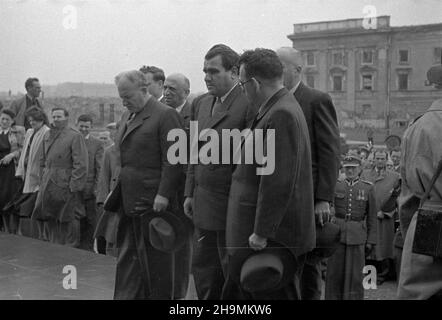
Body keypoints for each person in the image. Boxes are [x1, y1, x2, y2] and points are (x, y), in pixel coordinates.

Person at [222, 48, 315, 300]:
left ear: (253, 83)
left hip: (271, 241)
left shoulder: (281, 114)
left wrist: (262, 231)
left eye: (242, 84)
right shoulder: (276, 108)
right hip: (264, 236)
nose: (242, 89)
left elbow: (278, 181)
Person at [183, 44, 257, 300]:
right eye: (204, 71)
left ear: (235, 72)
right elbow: (194, 151)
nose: (206, 77)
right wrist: (189, 192)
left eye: (213, 71)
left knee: (231, 274)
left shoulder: (249, 104)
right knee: (204, 271)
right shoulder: (201, 103)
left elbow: (250, 165)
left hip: (232, 207)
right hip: (203, 203)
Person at [113, 70, 183, 299]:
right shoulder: (127, 115)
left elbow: (174, 160)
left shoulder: (166, 115)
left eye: (128, 97)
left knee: (156, 267)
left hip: (153, 205)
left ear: (144, 90)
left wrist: (163, 195)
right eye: (121, 97)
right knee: (129, 263)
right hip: (129, 200)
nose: (124, 102)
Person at [277, 46, 340, 300]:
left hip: (309, 200)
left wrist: (323, 198)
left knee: (309, 268)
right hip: (281, 201)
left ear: (297, 70)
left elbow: (329, 152)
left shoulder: (316, 99)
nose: (276, 71)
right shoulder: (273, 100)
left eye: (280, 66)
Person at [397, 64, 442, 300]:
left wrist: (410, 235)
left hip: (429, 218)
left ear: (435, 86)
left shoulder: (419, 127)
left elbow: (408, 199)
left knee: (421, 292)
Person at [31, 107, 88, 247]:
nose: (56, 120)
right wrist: (42, 177)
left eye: (59, 117)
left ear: (66, 118)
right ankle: (53, 248)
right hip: (48, 181)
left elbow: (81, 164)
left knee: (67, 219)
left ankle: (68, 250)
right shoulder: (47, 135)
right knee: (48, 216)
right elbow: (42, 160)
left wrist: (74, 186)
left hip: (65, 183)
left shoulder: (75, 136)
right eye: (54, 117)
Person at [325, 154, 377, 300]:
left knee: (355, 274)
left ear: (359, 169)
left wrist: (371, 240)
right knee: (334, 273)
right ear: (343, 168)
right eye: (347, 168)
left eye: (353, 168)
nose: (350, 171)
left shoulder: (368, 188)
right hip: (337, 234)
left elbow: (372, 216)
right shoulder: (336, 185)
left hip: (357, 235)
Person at [163, 72, 192, 300]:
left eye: (173, 88)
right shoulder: (160, 114)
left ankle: (179, 296)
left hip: (183, 191)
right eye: (165, 87)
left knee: (182, 247)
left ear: (186, 92)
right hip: (163, 191)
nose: (167, 92)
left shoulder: (194, 116)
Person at [361, 149, 400, 284]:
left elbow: (397, 196)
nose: (380, 161)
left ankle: (382, 275)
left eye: (382, 158)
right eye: (377, 158)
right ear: (374, 159)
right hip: (369, 217)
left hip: (384, 218)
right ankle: (368, 275)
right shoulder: (365, 174)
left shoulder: (395, 176)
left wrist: (386, 211)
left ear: (386, 159)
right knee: (369, 245)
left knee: (384, 246)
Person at [15, 107, 50, 239]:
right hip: (26, 173)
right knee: (26, 207)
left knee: (33, 207)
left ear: (41, 120)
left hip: (38, 175)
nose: (31, 123)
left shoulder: (46, 132)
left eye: (34, 120)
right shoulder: (30, 132)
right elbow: (24, 150)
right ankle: (29, 235)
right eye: (30, 120)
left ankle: (38, 236)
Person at [75, 114, 104, 251]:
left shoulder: (97, 144)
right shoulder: (72, 140)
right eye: (81, 126)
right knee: (75, 220)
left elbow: (99, 168)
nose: (84, 129)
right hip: (74, 189)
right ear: (77, 125)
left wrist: (96, 188)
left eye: (87, 127)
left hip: (89, 189)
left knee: (90, 220)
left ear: (91, 127)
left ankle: (88, 248)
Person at [95, 123, 120, 257]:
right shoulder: (110, 152)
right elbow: (104, 178)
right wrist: (102, 201)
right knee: (109, 237)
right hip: (112, 200)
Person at [0, 109, 25, 233]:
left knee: (9, 197)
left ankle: (14, 230)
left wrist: (11, 155)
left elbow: (23, 149)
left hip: (10, 170)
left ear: (12, 121)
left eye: (7, 120)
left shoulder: (17, 132)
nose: (4, 121)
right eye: (2, 118)